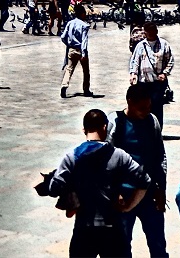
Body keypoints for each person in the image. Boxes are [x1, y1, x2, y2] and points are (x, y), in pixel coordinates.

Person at [42, 108, 152, 257]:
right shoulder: (119, 155)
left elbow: (54, 188)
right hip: (113, 229)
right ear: (105, 126)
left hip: (84, 229)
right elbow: (144, 181)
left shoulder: (72, 157)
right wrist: (128, 206)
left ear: (84, 129)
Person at [109, 83, 169, 257]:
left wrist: (161, 188)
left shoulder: (152, 121)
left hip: (149, 193)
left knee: (158, 243)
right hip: (123, 194)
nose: (146, 112)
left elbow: (160, 156)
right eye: (142, 108)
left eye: (149, 107)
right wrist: (114, 191)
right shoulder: (116, 122)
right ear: (129, 102)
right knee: (121, 244)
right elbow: (106, 159)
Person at [128, 22, 174, 127]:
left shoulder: (164, 44)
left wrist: (165, 73)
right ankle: (143, 127)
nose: (150, 35)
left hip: (157, 82)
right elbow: (135, 61)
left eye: (152, 32)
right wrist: (133, 74)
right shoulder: (141, 45)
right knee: (142, 105)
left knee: (156, 106)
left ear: (156, 32)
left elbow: (170, 60)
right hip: (143, 81)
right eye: (148, 33)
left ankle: (156, 129)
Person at [60, 4, 93, 99]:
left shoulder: (70, 23)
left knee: (69, 69)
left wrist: (68, 44)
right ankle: (86, 90)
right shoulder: (84, 25)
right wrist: (84, 53)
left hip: (71, 49)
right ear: (82, 14)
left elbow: (63, 37)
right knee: (86, 71)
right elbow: (84, 41)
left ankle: (64, 85)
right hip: (80, 50)